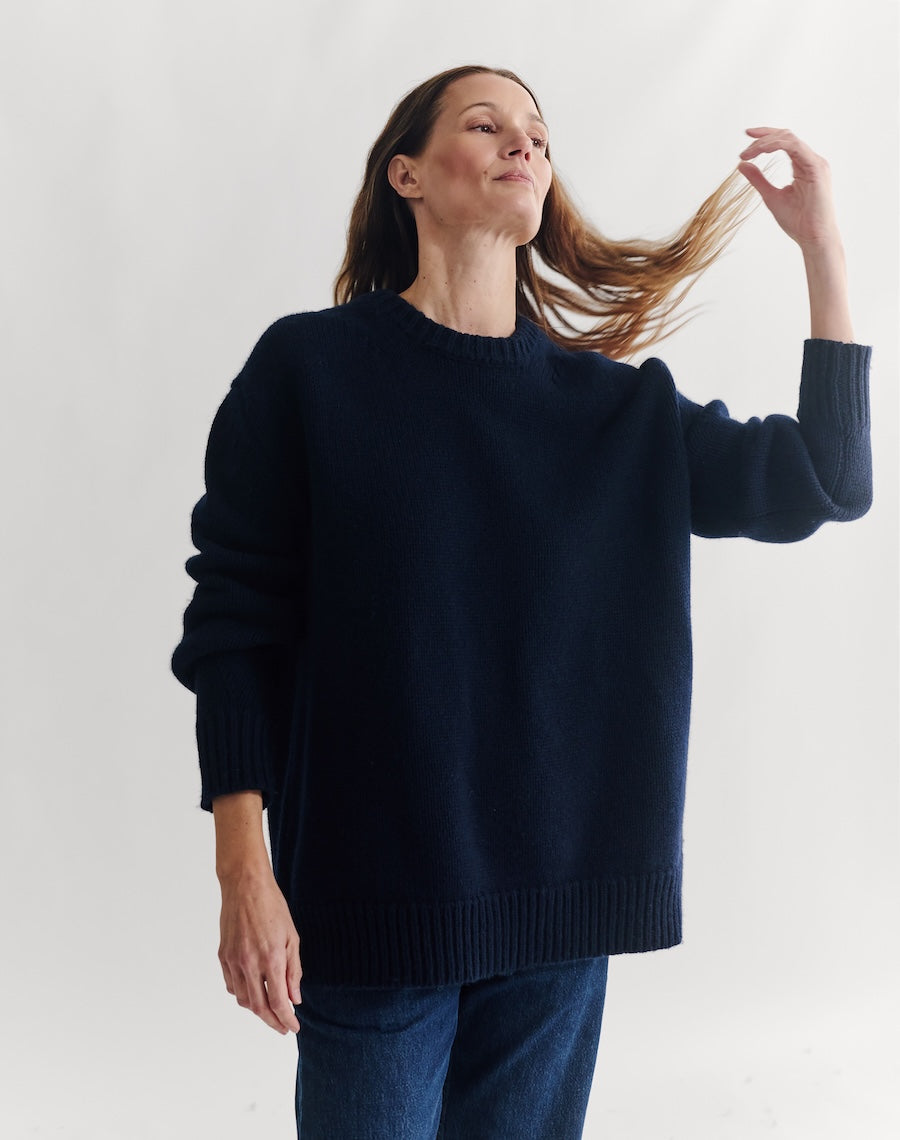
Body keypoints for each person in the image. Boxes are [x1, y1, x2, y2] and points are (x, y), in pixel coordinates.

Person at [171, 64, 872, 1139]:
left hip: (560, 912)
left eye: (539, 133)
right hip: (370, 906)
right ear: (405, 173)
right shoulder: (308, 372)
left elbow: (827, 480)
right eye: (487, 124)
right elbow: (233, 625)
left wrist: (823, 245)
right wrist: (242, 870)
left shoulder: (618, 411)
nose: (525, 144)